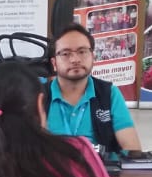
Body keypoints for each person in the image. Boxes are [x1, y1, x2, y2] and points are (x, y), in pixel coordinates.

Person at [45, 23, 142, 154]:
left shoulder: (109, 94)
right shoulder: (38, 96)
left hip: (100, 166)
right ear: (54, 63)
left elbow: (131, 147)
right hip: (52, 166)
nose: (75, 59)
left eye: (82, 52)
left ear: (93, 57)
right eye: (66, 53)